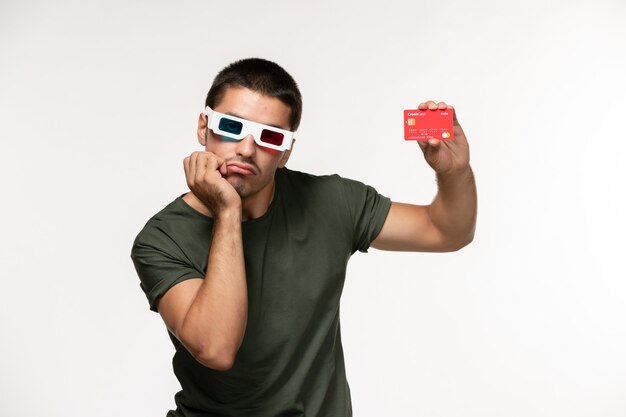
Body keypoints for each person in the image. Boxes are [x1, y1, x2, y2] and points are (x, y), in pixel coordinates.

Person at [131, 57, 477, 417]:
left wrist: (455, 172)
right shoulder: (161, 239)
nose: (247, 149)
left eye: (270, 136)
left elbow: (447, 232)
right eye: (231, 127)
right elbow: (215, 348)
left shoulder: (332, 202)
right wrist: (228, 210)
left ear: (286, 151)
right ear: (204, 127)